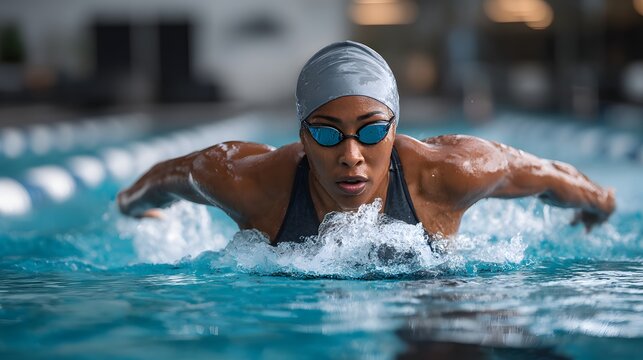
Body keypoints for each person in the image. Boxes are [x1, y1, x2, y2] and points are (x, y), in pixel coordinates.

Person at [117, 41, 615, 246]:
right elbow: (171, 176)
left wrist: (598, 204)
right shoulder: (248, 183)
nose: (351, 155)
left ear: (395, 130)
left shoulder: (451, 173)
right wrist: (132, 204)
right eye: (328, 133)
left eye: (373, 131)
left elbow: (547, 175)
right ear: (302, 137)